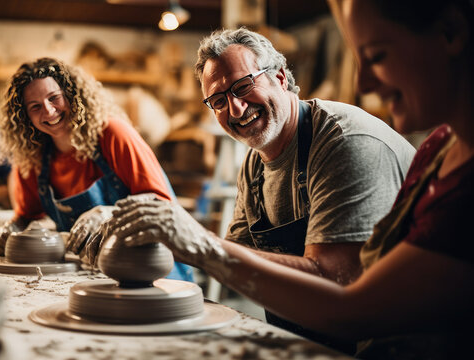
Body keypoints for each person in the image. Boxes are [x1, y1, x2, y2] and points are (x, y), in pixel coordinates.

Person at [100, 0, 474, 358]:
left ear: (280, 76)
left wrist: (202, 246)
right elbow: (239, 263)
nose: (235, 108)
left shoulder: (345, 143)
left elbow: (341, 288)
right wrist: (175, 243)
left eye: (243, 86)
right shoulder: (257, 162)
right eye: (218, 101)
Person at [0, 57, 193, 282]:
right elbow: (28, 217)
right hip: (94, 274)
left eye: (54, 98)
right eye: (35, 106)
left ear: (72, 94)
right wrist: (10, 229)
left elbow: (162, 204)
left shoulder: (113, 134)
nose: (48, 111)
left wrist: (108, 213)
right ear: (25, 117)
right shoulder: (32, 157)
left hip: (153, 270)